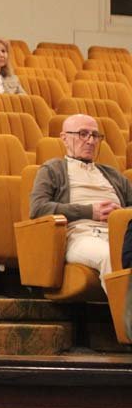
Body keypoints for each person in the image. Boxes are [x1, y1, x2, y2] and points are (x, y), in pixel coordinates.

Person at [30, 114, 131, 290]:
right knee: (111, 256)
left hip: (119, 235)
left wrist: (120, 214)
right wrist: (90, 211)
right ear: (64, 138)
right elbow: (38, 209)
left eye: (95, 135)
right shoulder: (52, 169)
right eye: (83, 134)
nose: (90, 141)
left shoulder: (112, 174)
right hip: (81, 236)